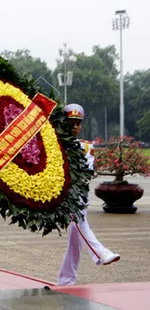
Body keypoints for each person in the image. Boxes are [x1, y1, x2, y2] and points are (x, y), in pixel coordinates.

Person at [57, 103, 120, 286]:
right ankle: (101, 252)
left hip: (79, 195)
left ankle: (66, 280)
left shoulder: (86, 147)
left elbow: (86, 173)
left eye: (78, 123)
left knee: (75, 241)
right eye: (71, 123)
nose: (75, 127)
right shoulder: (54, 144)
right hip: (64, 195)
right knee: (79, 222)